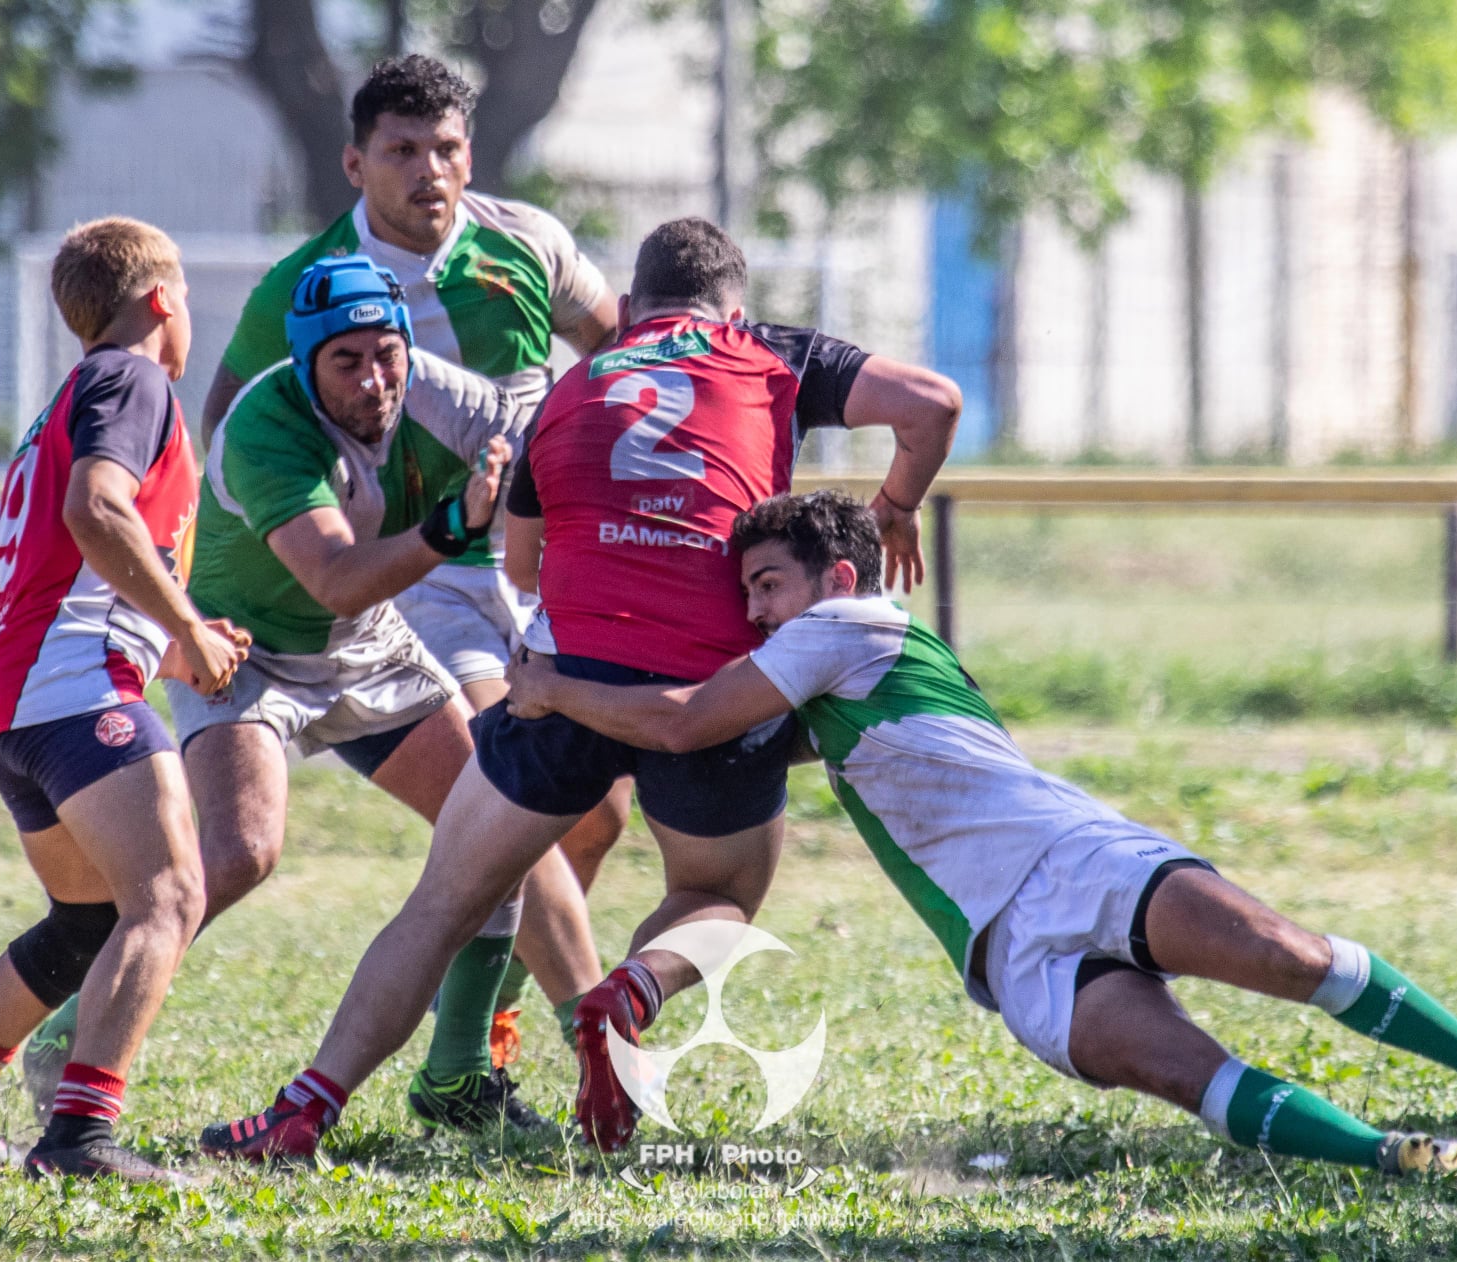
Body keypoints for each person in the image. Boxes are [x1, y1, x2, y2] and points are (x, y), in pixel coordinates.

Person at [502, 489, 1457, 1174]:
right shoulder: (823, 681)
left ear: (833, 579)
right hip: (1005, 949)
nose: (752, 613)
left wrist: (550, 687)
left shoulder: (848, 621)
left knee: (1296, 959)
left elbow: (691, 716)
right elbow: (716, 733)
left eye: (765, 586)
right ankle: (1394, 1156)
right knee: (1196, 1076)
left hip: (1072, 857)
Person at [199, 215, 962, 1163]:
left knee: (440, 903)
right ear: (736, 307)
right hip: (708, 676)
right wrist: (892, 509)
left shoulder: (567, 389)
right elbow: (931, 402)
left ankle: (305, 1109)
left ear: (630, 309)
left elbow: (519, 564)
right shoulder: (766, 352)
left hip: (560, 677)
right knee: (717, 890)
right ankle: (627, 992)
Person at [182, 49, 626, 1078]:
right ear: (355, 162)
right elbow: (231, 437)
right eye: (403, 150)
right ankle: (525, 1062)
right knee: (502, 806)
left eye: (448, 148)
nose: (429, 169)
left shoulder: (528, 245)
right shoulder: (306, 287)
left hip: (530, 568)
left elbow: (616, 355)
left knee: (592, 813)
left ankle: (478, 1048)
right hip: (406, 581)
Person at [0, 217, 250, 1183]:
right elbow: (96, 512)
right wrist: (193, 626)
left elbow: (64, 576)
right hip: (68, 688)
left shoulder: (71, 397)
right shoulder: (132, 378)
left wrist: (174, 647)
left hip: (20, 698)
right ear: (163, 300)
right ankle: (81, 1140)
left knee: (85, 922)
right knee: (169, 896)